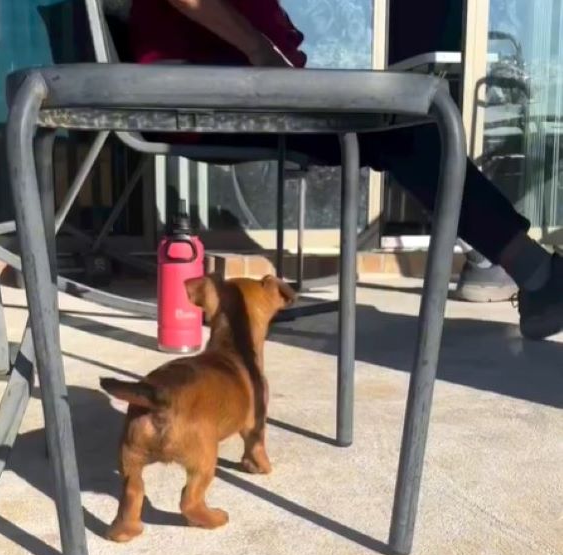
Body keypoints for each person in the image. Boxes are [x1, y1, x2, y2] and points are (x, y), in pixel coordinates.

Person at [129, 0, 563, 341]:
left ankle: (528, 268)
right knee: (401, 132)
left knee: (406, 128)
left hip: (245, 90)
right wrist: (261, 48)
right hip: (200, 95)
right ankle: (533, 271)